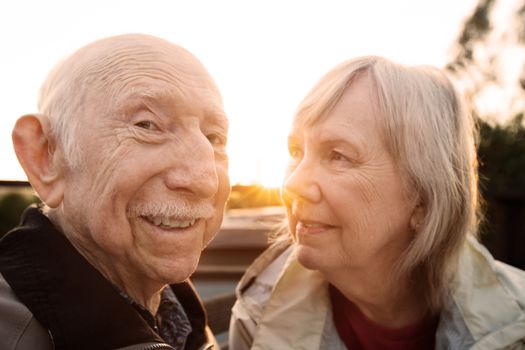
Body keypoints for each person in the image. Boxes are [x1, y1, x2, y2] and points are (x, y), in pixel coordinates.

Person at [229, 56, 525, 349]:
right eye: (296, 151)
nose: (293, 185)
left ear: (423, 199)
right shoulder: (257, 319)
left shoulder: (516, 326)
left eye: (338, 155)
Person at [0, 34, 230, 350]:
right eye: (147, 125)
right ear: (46, 157)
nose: (206, 181)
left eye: (214, 137)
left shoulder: (182, 318)